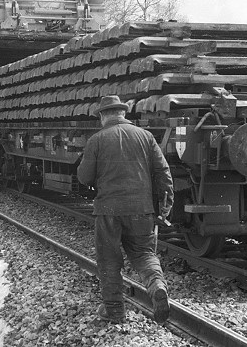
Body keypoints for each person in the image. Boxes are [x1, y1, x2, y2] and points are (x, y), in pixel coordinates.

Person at [77, 95, 175, 325]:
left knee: (109, 261)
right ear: (123, 113)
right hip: (142, 209)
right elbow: (164, 173)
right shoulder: (146, 137)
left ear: (103, 116)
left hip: (108, 210)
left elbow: (84, 177)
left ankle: (115, 312)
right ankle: (157, 286)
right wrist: (165, 208)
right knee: (144, 254)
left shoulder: (97, 139)